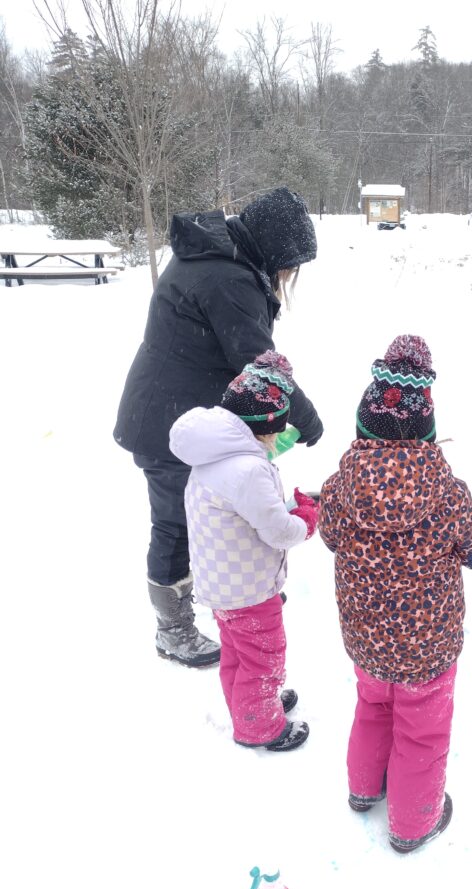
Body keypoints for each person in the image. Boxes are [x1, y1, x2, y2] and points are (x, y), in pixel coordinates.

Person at [114, 187, 323, 668]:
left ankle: (238, 595)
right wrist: (305, 417)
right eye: (289, 264)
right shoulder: (227, 278)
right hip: (167, 425)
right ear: (273, 247)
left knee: (216, 511)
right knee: (176, 524)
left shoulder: (219, 256)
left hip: (184, 416)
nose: (287, 276)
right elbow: (258, 363)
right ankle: (174, 629)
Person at [318, 335, 472, 852]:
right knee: (421, 731)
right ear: (429, 432)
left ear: (362, 424)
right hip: (428, 647)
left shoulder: (340, 485)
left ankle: (363, 789)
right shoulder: (447, 491)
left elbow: (328, 537)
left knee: (373, 709)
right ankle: (413, 823)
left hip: (367, 639)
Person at [169, 352, 318, 752]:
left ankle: (249, 706)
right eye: (275, 434)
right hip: (251, 591)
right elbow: (278, 532)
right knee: (264, 660)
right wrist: (306, 517)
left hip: (221, 585)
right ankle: (259, 726)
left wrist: (283, 506)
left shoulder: (211, 459)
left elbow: (243, 515)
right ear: (264, 428)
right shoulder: (248, 470)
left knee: (237, 654)